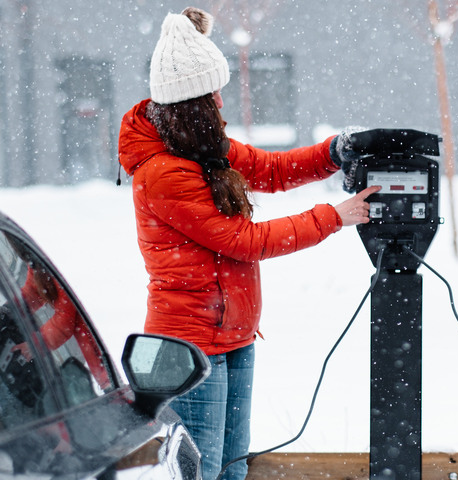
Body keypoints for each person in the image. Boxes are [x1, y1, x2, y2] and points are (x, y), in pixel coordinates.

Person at [117, 7, 379, 480]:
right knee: (204, 472)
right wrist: (332, 218)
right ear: (188, 103)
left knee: (232, 470)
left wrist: (333, 153)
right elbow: (244, 241)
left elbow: (271, 170)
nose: (221, 101)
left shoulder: (203, 148)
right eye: (212, 94)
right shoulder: (164, 174)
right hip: (190, 346)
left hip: (233, 337)